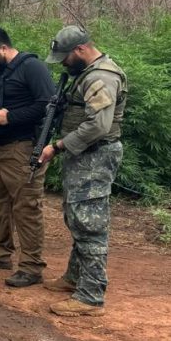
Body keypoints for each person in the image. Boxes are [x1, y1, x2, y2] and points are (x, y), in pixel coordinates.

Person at [37, 26, 127, 317]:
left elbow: (99, 126)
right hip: (84, 156)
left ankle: (91, 295)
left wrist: (59, 146)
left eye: (65, 58)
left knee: (90, 223)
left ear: (80, 50)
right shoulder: (88, 74)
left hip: (94, 156)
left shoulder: (101, 77)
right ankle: (75, 277)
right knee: (77, 217)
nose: (63, 64)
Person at [0, 27, 56, 288]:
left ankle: (31, 266)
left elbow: (48, 104)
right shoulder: (0, 72)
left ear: (3, 48)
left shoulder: (32, 67)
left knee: (26, 207)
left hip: (24, 146)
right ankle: (0, 253)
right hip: (0, 146)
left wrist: (10, 117)